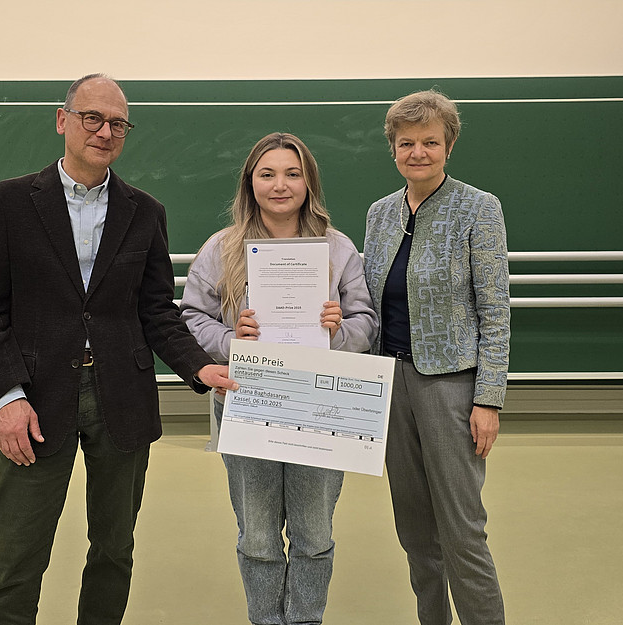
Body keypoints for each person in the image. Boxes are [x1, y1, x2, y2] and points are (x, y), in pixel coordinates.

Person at [0, 73, 236, 625]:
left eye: (117, 123)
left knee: (113, 551)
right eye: (93, 118)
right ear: (63, 121)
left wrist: (200, 365)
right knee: (16, 556)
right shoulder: (9, 203)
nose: (105, 131)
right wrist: (7, 397)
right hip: (35, 403)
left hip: (122, 400)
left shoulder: (145, 211)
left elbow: (156, 310)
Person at [180, 132, 378, 625]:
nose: (280, 185)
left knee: (313, 535)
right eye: (267, 174)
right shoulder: (222, 248)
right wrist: (233, 340)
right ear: (250, 182)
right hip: (248, 406)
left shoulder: (338, 248)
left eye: (292, 174)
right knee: (260, 538)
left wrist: (336, 332)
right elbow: (190, 318)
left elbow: (367, 323)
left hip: (319, 409)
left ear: (308, 182)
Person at [362, 90, 510, 625]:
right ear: (393, 149)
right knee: (415, 528)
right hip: (391, 383)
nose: (417, 152)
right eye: (406, 143)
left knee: (462, 528)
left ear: (448, 145)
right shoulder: (380, 214)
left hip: (451, 386)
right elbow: (370, 302)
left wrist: (488, 399)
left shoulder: (479, 208)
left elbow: (495, 310)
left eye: (430, 141)